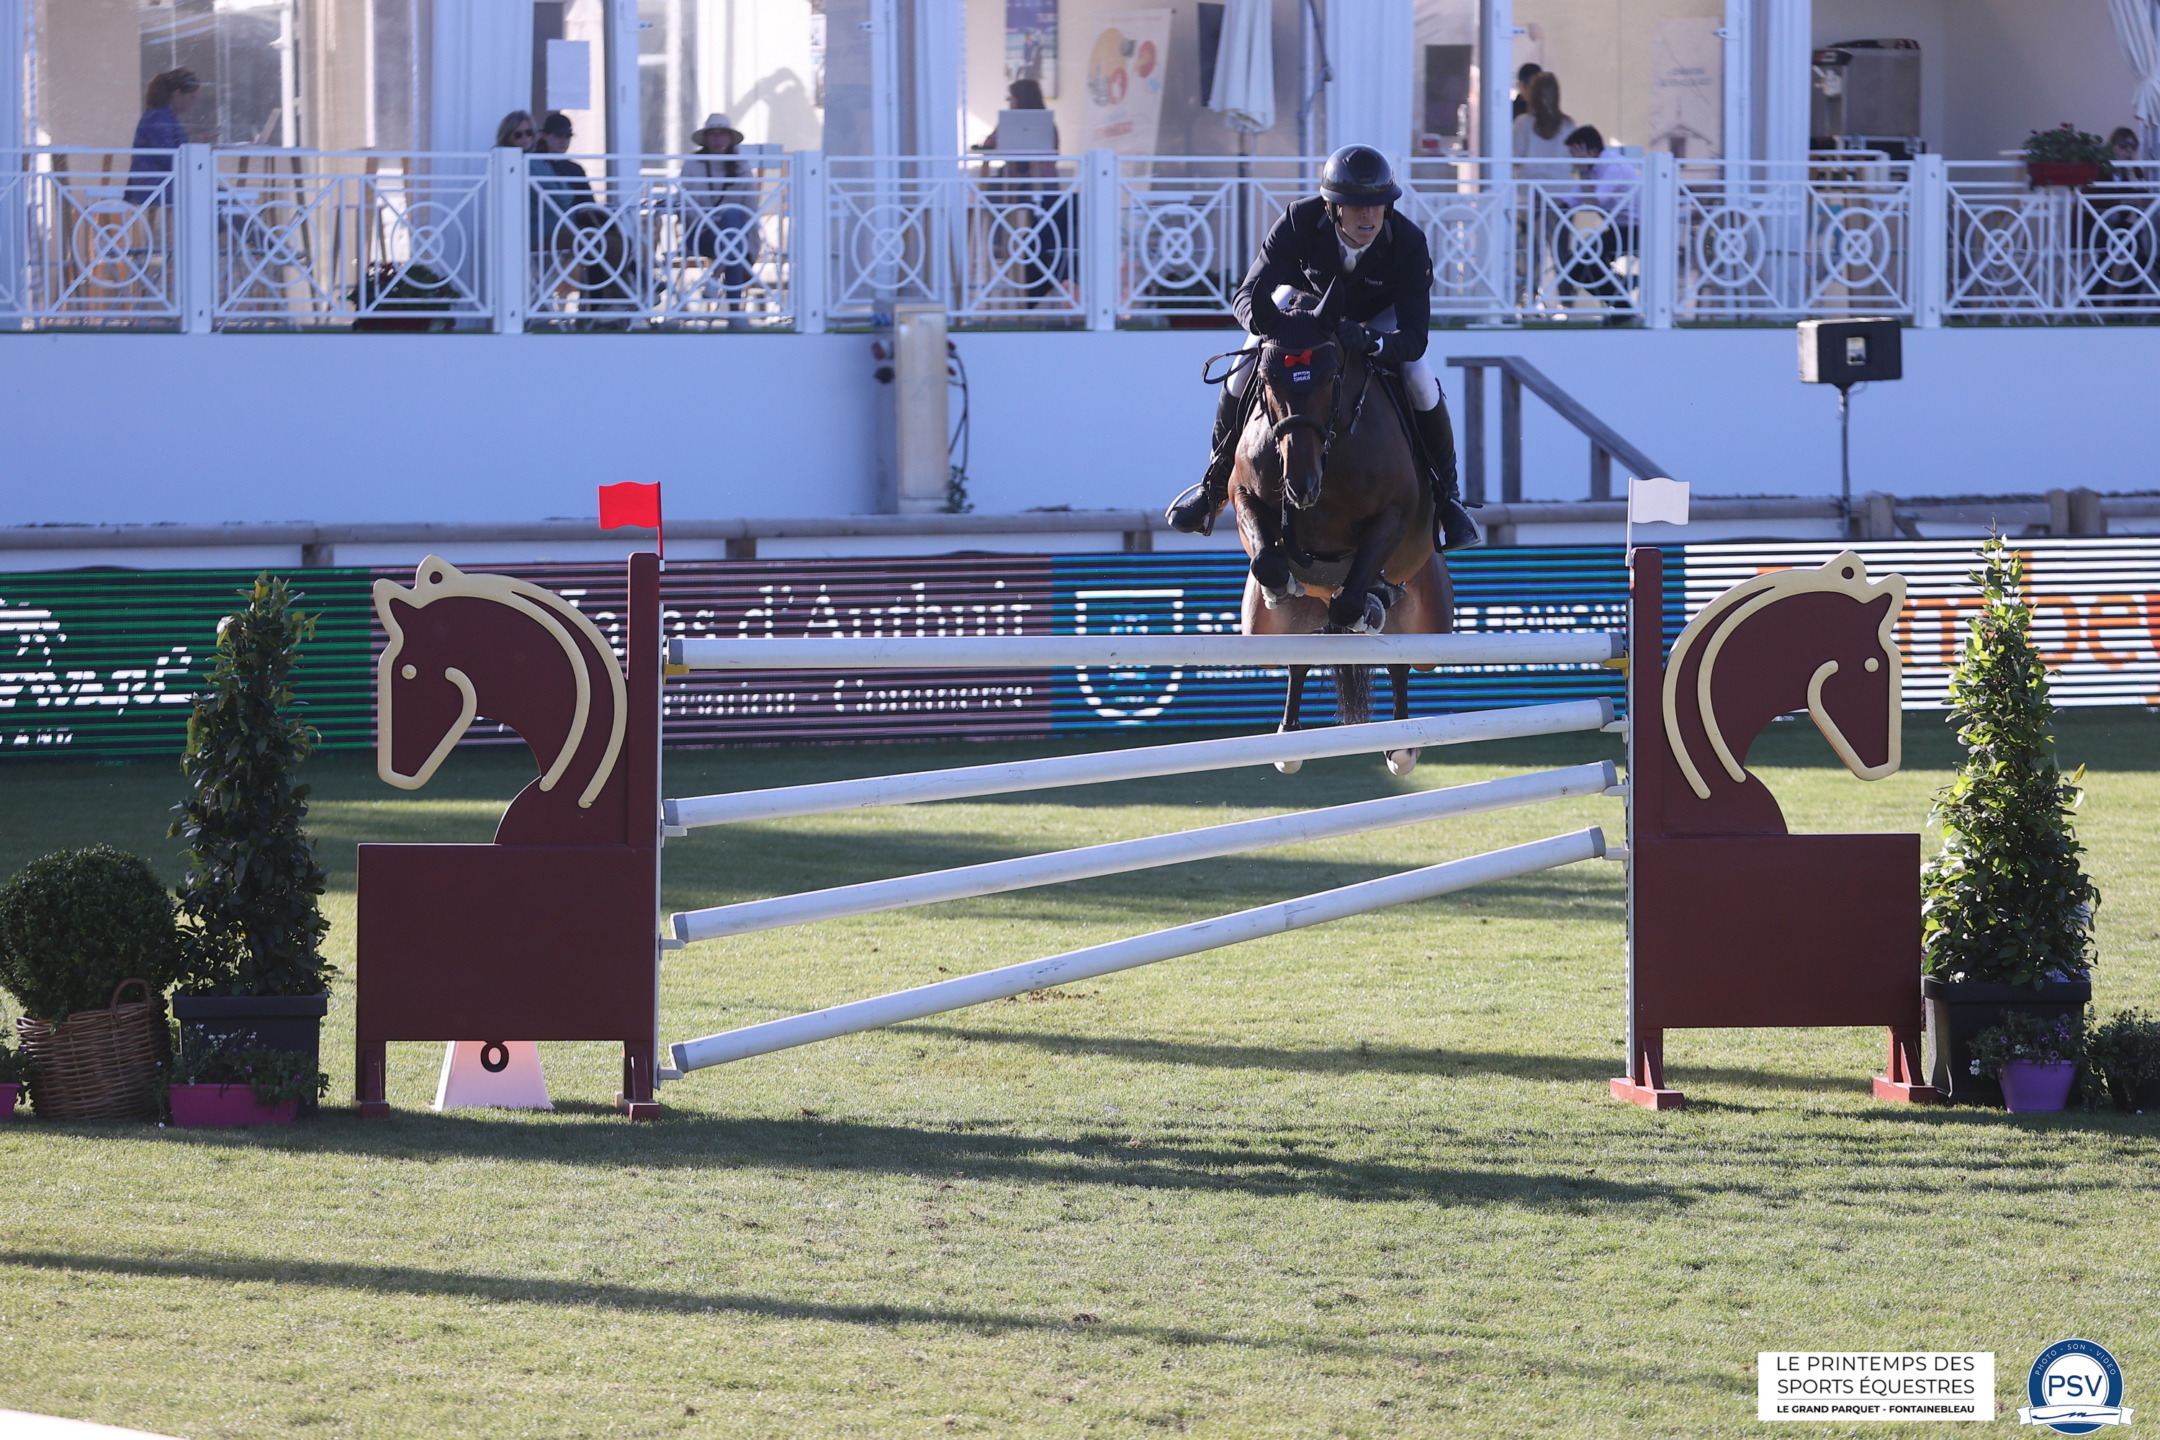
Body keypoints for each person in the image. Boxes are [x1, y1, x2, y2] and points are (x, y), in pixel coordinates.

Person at [1165, 145, 1479, 552]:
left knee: (1419, 377)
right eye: (1356, 206)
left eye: (1378, 205)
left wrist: (1372, 342)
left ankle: (1448, 497)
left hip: (1374, 320)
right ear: (1333, 208)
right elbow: (1245, 294)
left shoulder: (1408, 243)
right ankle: (1213, 485)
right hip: (1303, 313)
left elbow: (1415, 336)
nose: (1369, 215)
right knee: (1243, 368)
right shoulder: (1298, 220)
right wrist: (1269, 327)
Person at [980, 78, 1070, 299]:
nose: (1009, 101)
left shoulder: (1028, 125)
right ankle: (1003, 244)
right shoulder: (1041, 124)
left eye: (1012, 97)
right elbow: (991, 144)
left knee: (994, 193)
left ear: (1020, 98)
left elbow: (990, 146)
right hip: (1031, 187)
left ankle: (1000, 244)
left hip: (1035, 189)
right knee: (994, 192)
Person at [681, 113, 760, 315]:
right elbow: (687, 206)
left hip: (736, 232)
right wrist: (712, 221)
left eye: (722, 134)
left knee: (733, 227)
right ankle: (734, 312)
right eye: (713, 135)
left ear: (730, 139)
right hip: (701, 232)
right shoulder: (692, 165)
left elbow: (750, 207)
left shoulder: (742, 166)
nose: (717, 140)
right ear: (705, 139)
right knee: (734, 241)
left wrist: (727, 223)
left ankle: (715, 277)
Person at [1562, 125, 1637, 323]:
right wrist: (1543, 203)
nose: (1573, 161)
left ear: (1592, 152)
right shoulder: (1594, 169)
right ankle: (1622, 295)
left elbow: (1594, 201)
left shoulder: (1612, 167)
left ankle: (1623, 304)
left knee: (1586, 255)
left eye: (1576, 154)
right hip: (1620, 228)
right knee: (1575, 264)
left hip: (1639, 229)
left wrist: (1584, 171)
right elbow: (1573, 199)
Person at [125, 69, 202, 205]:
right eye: (191, 97)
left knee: (216, 197)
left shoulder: (162, 116)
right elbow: (169, 156)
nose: (193, 103)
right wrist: (193, 151)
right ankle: (242, 227)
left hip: (160, 184)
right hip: (157, 186)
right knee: (217, 197)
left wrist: (194, 145)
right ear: (177, 94)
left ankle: (238, 227)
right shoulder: (159, 118)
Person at [1512, 72, 1573, 181]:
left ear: (1531, 95)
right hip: (1562, 186)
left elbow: (1514, 158)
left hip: (1530, 189)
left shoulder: (1523, 123)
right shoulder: (1568, 124)